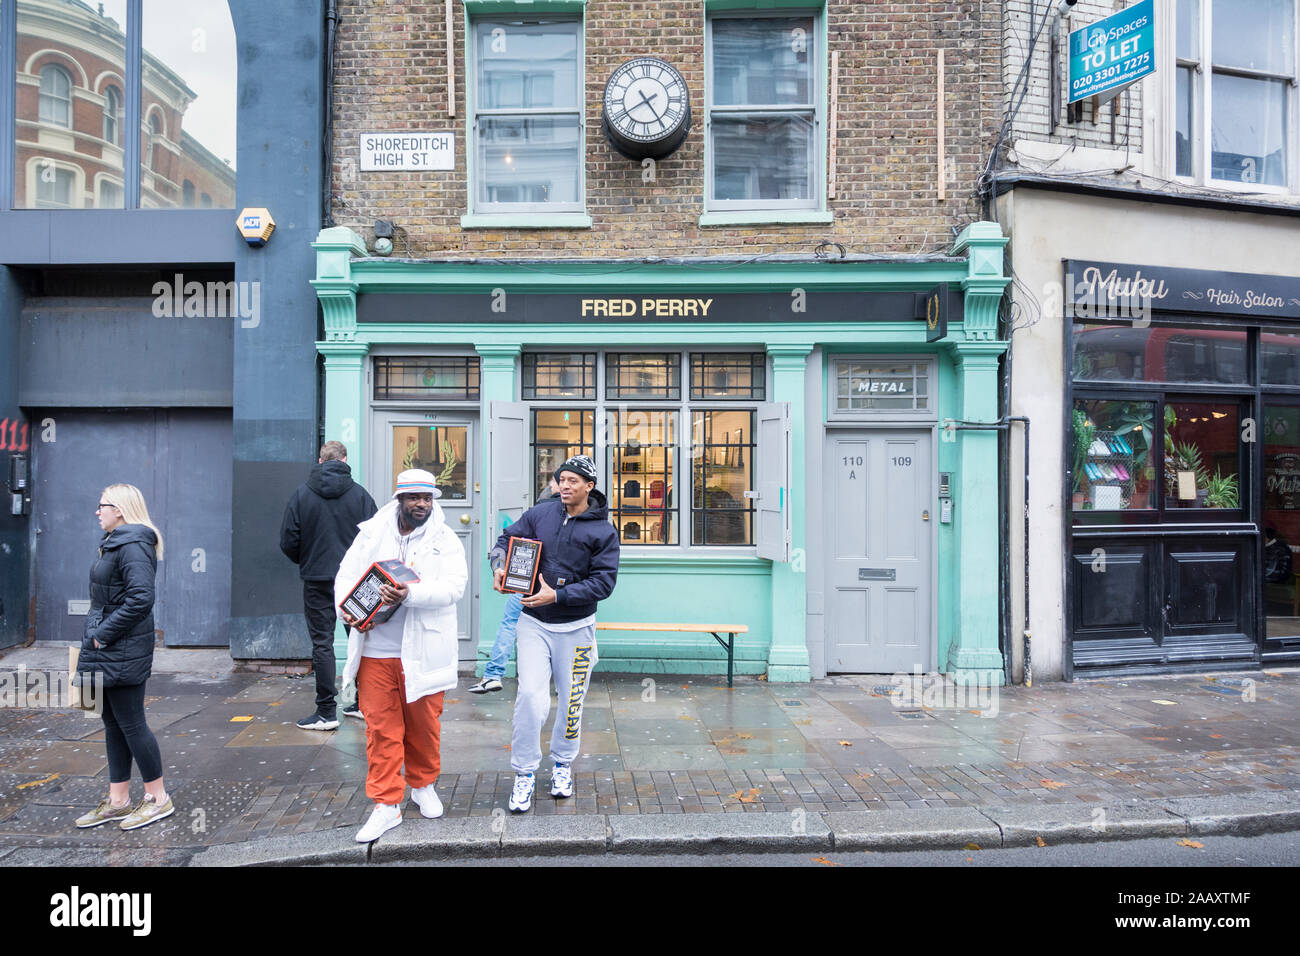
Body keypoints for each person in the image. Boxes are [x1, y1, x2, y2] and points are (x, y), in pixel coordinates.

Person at [335, 469, 467, 842]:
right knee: (381, 729)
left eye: (427, 498)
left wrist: (411, 593)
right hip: (376, 648)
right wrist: (344, 609)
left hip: (423, 650)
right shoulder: (372, 533)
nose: (421, 504)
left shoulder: (446, 539)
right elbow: (345, 577)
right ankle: (386, 803)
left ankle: (423, 784)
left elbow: (455, 587)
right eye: (414, 498)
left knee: (424, 725)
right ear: (400, 500)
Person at [489, 454, 619, 813]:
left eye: (573, 481)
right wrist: (500, 566)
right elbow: (506, 539)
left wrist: (558, 595)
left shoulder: (603, 532)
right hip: (534, 624)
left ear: (589, 487)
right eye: (561, 479)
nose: (564, 485)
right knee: (530, 699)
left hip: (577, 628)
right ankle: (525, 772)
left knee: (571, 702)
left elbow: (604, 584)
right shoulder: (540, 514)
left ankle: (562, 765)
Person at [74, 484, 173, 832]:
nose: (97, 511)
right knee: (113, 722)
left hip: (120, 647)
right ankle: (118, 801)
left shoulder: (132, 544)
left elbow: (141, 597)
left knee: (132, 722)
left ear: (120, 509)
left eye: (103, 505)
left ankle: (158, 798)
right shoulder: (116, 542)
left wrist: (103, 635)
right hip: (108, 646)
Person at [280, 440, 378, 730]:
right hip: (356, 581)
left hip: (317, 578)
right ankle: (363, 703)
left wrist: (308, 560)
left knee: (322, 643)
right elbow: (375, 541)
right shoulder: (360, 496)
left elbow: (288, 540)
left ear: (320, 461)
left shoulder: (301, 495)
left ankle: (326, 712)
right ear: (345, 460)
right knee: (360, 639)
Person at [468, 473, 561, 694]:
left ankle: (493, 674)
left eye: (555, 481)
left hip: (528, 582)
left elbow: (506, 538)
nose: (552, 484)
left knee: (511, 623)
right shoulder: (577, 514)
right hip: (559, 587)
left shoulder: (538, 511)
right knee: (563, 629)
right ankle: (562, 681)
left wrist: (499, 565)